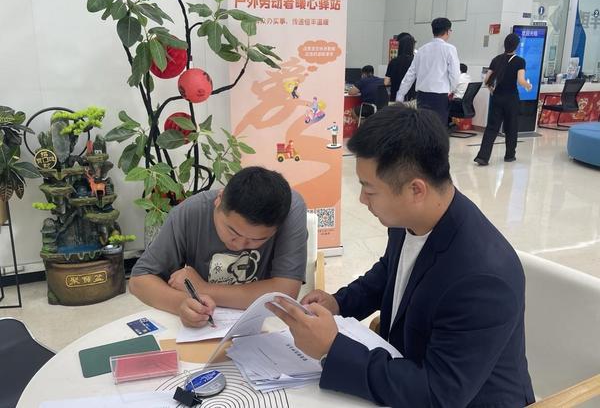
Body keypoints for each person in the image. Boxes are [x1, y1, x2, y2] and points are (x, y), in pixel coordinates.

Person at [267, 106, 535, 407]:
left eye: (369, 190)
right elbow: (390, 272)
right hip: (406, 373)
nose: (362, 199)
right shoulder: (410, 218)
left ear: (416, 190)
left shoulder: (482, 278)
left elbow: (439, 395)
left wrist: (332, 348)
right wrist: (339, 302)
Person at [129, 166, 307, 328]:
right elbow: (139, 281)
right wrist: (181, 303)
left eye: (257, 240)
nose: (240, 245)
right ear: (219, 200)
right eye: (232, 232)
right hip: (207, 326)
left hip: (264, 324)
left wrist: (203, 288)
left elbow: (285, 292)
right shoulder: (191, 212)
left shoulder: (290, 209)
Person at [475, 33, 532, 165]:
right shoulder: (520, 61)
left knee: (491, 128)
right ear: (516, 46)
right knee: (511, 127)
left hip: (497, 97)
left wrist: (492, 91)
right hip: (511, 98)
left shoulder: (496, 59)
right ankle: (509, 155)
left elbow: (486, 80)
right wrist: (528, 85)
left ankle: (482, 157)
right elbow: (521, 80)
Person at [396, 17, 461, 127]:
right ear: (447, 31)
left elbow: (410, 74)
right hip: (440, 97)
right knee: (438, 129)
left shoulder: (421, 50)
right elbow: (454, 74)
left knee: (422, 127)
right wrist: (452, 90)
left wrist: (400, 94)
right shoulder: (450, 49)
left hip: (422, 97)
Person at [385, 33, 417, 102]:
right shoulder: (414, 61)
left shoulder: (393, 61)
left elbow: (386, 82)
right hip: (410, 98)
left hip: (395, 97)